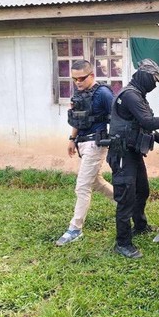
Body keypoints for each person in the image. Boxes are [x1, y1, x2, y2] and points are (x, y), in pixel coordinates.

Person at [108, 59, 159, 258]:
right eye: (154, 81)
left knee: (142, 190)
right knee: (126, 198)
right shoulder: (130, 95)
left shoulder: (138, 95)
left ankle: (140, 225)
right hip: (122, 154)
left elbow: (144, 128)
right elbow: (149, 122)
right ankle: (123, 243)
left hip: (133, 152)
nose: (155, 86)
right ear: (145, 76)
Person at [56, 60, 114, 247]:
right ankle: (126, 203)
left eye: (81, 78)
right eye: (74, 79)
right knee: (95, 182)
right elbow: (77, 119)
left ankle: (75, 228)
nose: (78, 82)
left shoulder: (103, 93)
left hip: (95, 144)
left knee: (82, 186)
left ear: (92, 75)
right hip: (82, 143)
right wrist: (72, 139)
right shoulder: (79, 93)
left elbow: (117, 117)